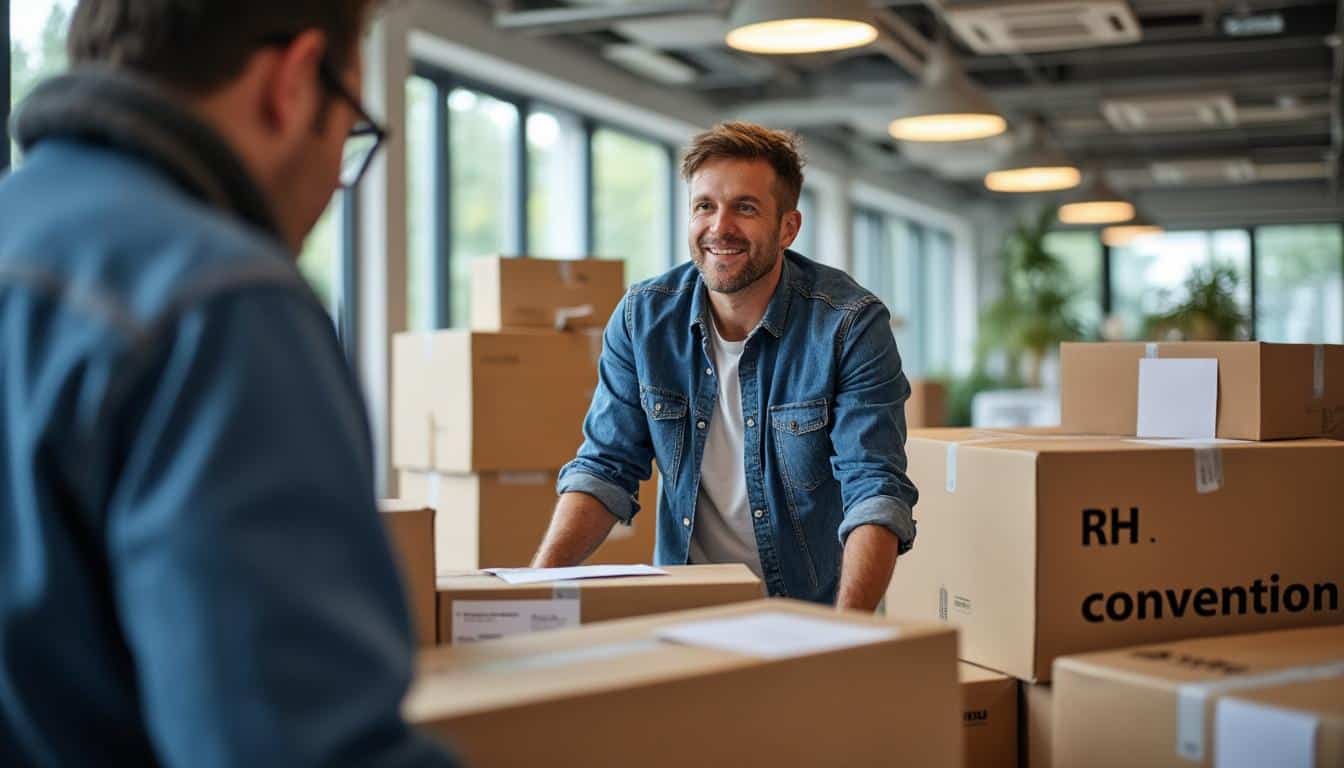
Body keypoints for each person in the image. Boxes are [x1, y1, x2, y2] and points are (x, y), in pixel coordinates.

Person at [0, 2, 457, 765]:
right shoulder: (216, 300)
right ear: (294, 80)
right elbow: (295, 747)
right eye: (350, 134)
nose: (337, 186)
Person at [533, 122, 918, 610]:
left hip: (810, 609)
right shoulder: (642, 318)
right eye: (704, 206)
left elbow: (874, 491)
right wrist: (536, 592)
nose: (719, 227)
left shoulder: (848, 325)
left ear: (787, 228)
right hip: (686, 609)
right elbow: (606, 467)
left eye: (745, 207)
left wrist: (844, 632)